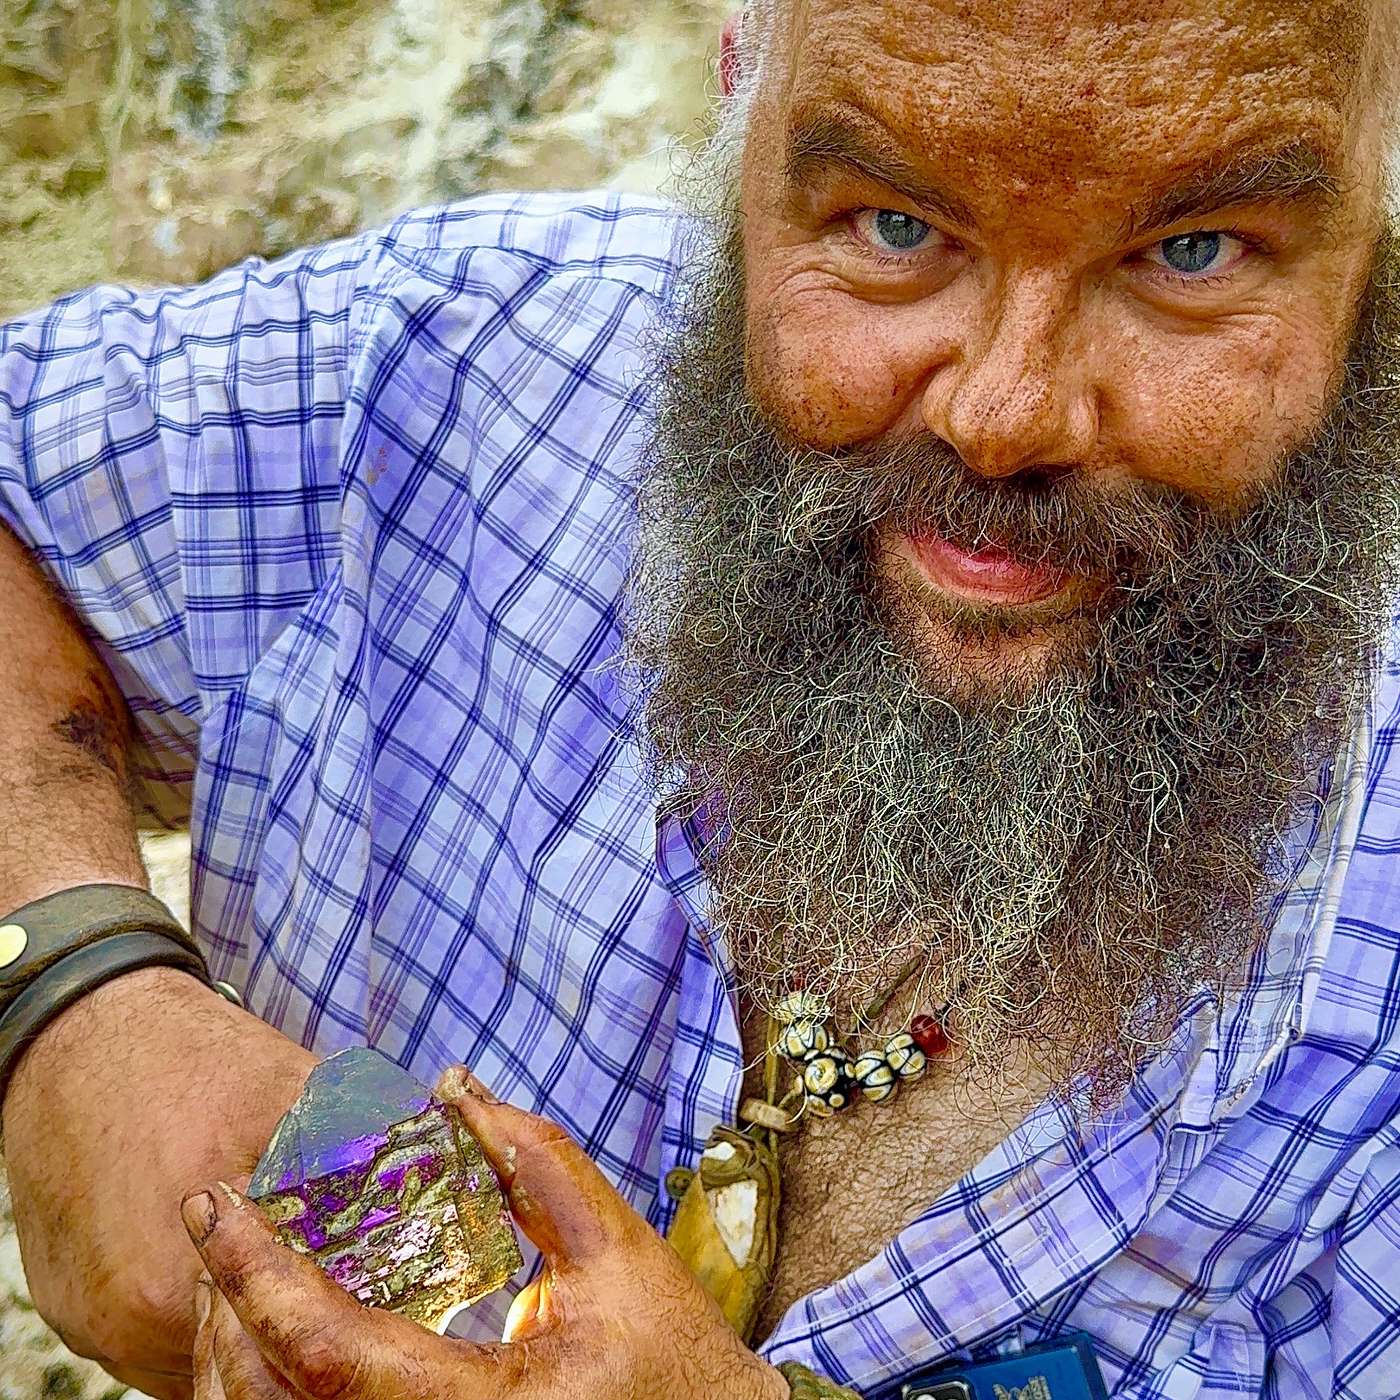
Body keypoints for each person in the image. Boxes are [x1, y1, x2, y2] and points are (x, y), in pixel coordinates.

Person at [3, 0, 1400, 1396]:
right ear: (741, 98)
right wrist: (68, 981)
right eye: (896, 228)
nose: (1005, 414)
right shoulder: (456, 373)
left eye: (1191, 253)